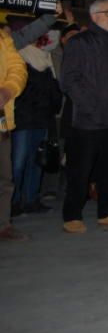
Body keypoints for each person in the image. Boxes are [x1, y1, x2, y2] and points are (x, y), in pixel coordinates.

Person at [60, 0, 108, 232]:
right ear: (94, 17)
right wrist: (90, 106)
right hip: (88, 119)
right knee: (80, 170)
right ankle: (72, 216)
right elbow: (69, 80)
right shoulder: (79, 43)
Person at [10, 28, 62, 216]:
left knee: (37, 161)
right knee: (18, 163)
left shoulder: (47, 60)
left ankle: (31, 199)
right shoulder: (20, 57)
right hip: (23, 119)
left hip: (42, 118)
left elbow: (54, 91)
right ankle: (13, 202)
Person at [0, 26, 28, 240]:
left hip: (1, 119)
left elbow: (18, 67)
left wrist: (9, 89)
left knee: (4, 177)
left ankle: (3, 225)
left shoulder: (3, 38)